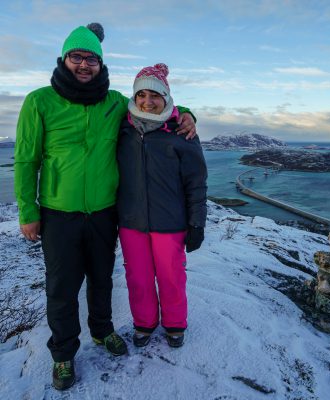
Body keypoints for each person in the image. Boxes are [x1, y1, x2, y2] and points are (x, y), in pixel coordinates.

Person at [14, 23, 196, 391]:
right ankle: (63, 353)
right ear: (64, 59)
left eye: (91, 59)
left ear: (100, 64)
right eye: (76, 57)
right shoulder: (39, 101)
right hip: (58, 212)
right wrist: (27, 211)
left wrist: (188, 113)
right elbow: (25, 160)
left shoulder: (114, 102)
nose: (84, 64)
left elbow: (152, 107)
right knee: (62, 287)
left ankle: (102, 330)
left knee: (101, 279)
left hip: (103, 211)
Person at [117, 63, 207, 349]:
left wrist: (197, 222)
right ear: (134, 97)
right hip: (131, 221)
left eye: (155, 95)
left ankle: (175, 324)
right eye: (141, 94)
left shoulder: (181, 133)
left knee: (171, 277)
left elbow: (196, 183)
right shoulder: (122, 127)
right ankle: (144, 323)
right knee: (138, 277)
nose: (147, 101)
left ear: (166, 98)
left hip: (170, 222)